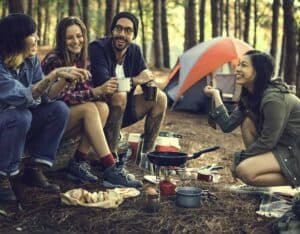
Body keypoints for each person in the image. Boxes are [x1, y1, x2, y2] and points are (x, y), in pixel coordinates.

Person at [41, 16, 142, 188]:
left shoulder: (83, 59)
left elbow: (86, 91)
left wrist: (101, 92)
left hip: (70, 119)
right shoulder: (54, 60)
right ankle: (110, 166)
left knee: (102, 108)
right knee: (89, 109)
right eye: (70, 37)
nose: (76, 41)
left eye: (79, 36)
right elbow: (62, 98)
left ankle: (78, 161)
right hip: (50, 121)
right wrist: (96, 91)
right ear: (62, 40)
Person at [0, 14, 91, 202]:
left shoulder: (29, 60)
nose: (38, 39)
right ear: (17, 38)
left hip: (19, 122)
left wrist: (63, 79)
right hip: (6, 122)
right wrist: (52, 75)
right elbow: (21, 97)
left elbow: (45, 96)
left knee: (59, 109)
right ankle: (2, 176)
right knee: (21, 115)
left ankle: (34, 169)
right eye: (33, 34)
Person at [204, 50, 300, 188]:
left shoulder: (273, 99)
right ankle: (263, 170)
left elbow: (267, 141)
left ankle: (292, 178)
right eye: (238, 65)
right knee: (247, 122)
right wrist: (215, 94)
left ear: (259, 71)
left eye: (243, 65)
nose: (237, 69)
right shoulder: (250, 96)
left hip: (295, 150)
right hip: (282, 146)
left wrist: (240, 158)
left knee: (244, 171)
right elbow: (227, 125)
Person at [89, 12, 167, 165]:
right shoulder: (98, 48)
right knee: (119, 95)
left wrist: (149, 81)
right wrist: (137, 79)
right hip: (100, 115)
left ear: (134, 35)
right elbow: (106, 85)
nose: (122, 34)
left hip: (125, 112)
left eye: (128, 31)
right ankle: (110, 160)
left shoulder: (135, 51)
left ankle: (146, 156)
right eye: (118, 29)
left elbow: (146, 80)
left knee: (160, 98)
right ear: (112, 31)